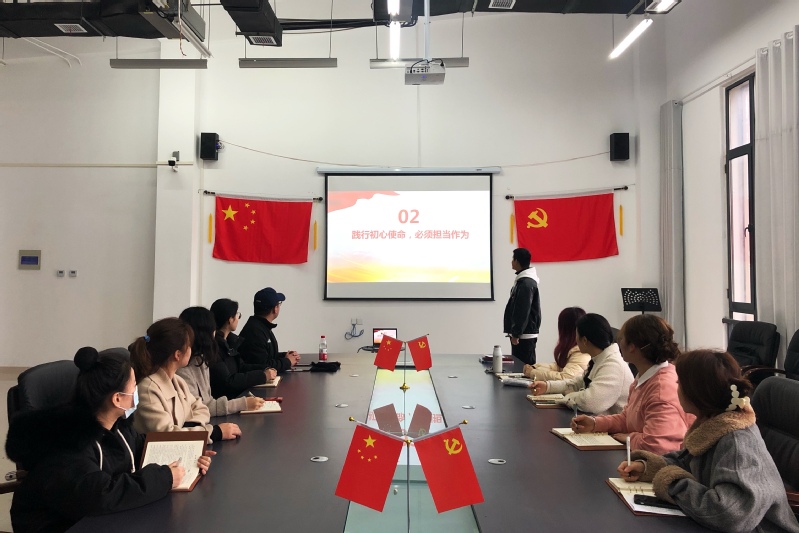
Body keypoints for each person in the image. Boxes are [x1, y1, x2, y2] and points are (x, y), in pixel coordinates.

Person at [5, 347, 212, 533]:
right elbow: (102, 494)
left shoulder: (115, 425)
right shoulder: (70, 444)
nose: (137, 391)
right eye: (134, 386)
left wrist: (189, 455)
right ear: (117, 399)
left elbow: (141, 446)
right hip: (61, 525)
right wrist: (164, 477)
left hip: (98, 519)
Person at [618, 350, 799, 532]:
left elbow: (728, 514)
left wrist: (671, 482)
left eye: (679, 384)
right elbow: (687, 461)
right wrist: (648, 468)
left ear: (696, 392)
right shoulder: (713, 424)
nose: (676, 388)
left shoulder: (736, 444)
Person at [571, 315, 694, 453]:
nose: (618, 344)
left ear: (632, 346)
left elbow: (659, 446)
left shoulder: (661, 390)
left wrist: (630, 437)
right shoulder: (645, 378)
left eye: (621, 339)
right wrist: (595, 424)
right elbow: (627, 418)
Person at [130, 317, 241, 443]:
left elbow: (202, 408)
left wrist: (187, 429)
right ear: (177, 355)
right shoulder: (148, 389)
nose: (191, 350)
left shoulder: (177, 380)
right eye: (189, 346)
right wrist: (214, 433)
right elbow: (166, 437)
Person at [529, 313, 633, 415]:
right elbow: (579, 383)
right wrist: (548, 386)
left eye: (576, 335)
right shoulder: (600, 359)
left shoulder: (613, 366)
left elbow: (590, 402)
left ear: (584, 340)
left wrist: (566, 397)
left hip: (612, 425)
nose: (575, 340)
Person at [176, 306, 267, 415]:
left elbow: (207, 402)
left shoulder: (201, 360)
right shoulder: (183, 370)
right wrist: (242, 403)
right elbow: (198, 409)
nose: (214, 333)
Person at [209, 298, 278, 399]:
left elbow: (241, 367)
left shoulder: (230, 342)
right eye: (237, 315)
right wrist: (263, 376)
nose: (238, 318)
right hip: (227, 401)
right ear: (230, 319)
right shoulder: (214, 347)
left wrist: (265, 369)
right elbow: (228, 381)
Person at [238, 287, 300, 372]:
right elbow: (263, 366)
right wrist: (287, 362)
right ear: (275, 309)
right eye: (279, 304)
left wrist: (285, 356)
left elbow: (266, 356)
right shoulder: (255, 332)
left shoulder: (260, 326)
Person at [523, 307, 590, 381]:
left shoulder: (581, 353)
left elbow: (566, 378)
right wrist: (535, 367)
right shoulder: (575, 348)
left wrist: (533, 373)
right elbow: (558, 367)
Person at [503, 248, 542, 369]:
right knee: (521, 368)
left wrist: (516, 333)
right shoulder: (523, 281)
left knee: (523, 369)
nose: (511, 262)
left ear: (517, 261)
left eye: (512, 259)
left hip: (524, 335)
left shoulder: (526, 283)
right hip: (523, 333)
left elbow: (522, 310)